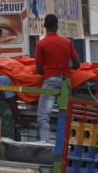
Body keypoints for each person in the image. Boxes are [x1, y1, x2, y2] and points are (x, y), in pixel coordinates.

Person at [35, 14, 81, 143]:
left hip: (50, 82)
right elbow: (77, 65)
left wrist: (50, 70)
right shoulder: (67, 42)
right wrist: (65, 70)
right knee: (67, 117)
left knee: (44, 117)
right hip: (65, 83)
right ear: (57, 25)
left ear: (44, 26)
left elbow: (39, 70)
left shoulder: (40, 44)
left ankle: (46, 146)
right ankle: (67, 147)